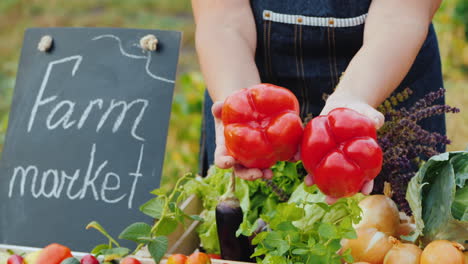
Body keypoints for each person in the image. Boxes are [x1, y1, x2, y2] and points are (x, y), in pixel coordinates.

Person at [193, 0, 445, 198]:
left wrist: (353, 99)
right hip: (246, 68)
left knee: (396, 232)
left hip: (387, 71)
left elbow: (400, 15)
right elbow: (222, 20)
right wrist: (240, 104)